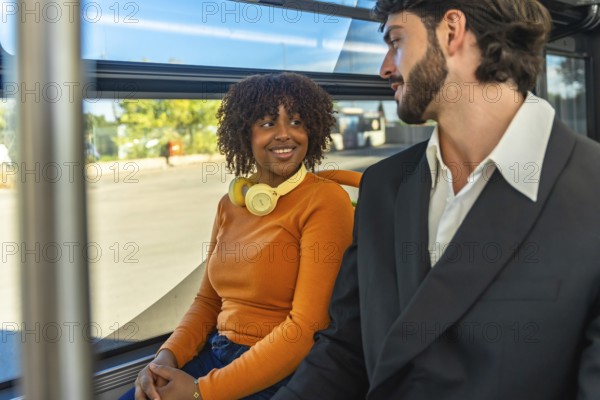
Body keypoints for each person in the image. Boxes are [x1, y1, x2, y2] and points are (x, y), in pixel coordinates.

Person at [272, 1, 600, 399]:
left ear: (451, 30)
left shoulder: (591, 192)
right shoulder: (383, 187)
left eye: (396, 41)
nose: (385, 68)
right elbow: (345, 350)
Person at [120, 73, 354, 400]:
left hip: (281, 370)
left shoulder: (325, 200)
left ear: (311, 131)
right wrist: (165, 359)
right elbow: (207, 302)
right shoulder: (230, 205)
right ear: (244, 133)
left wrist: (201, 391)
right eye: (268, 123)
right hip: (217, 354)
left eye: (297, 122)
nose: (285, 134)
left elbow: (304, 329)